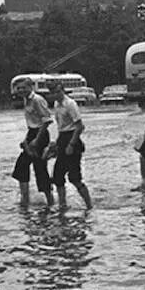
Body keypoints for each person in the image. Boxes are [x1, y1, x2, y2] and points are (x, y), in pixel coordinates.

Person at [48, 81, 93, 209]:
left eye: (58, 91)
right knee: (57, 176)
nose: (56, 94)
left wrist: (71, 144)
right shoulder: (57, 104)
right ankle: (63, 205)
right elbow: (61, 127)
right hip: (62, 138)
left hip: (72, 138)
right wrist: (56, 145)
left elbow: (80, 126)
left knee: (74, 177)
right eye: (53, 92)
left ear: (63, 90)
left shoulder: (70, 104)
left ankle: (89, 205)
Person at [11, 78, 55, 207]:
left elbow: (46, 121)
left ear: (31, 87)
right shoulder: (26, 100)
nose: (20, 90)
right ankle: (25, 198)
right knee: (21, 166)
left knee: (40, 168)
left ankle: (50, 201)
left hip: (40, 134)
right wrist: (26, 139)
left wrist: (37, 140)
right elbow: (32, 122)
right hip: (32, 133)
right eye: (18, 88)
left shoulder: (37, 100)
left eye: (23, 87)